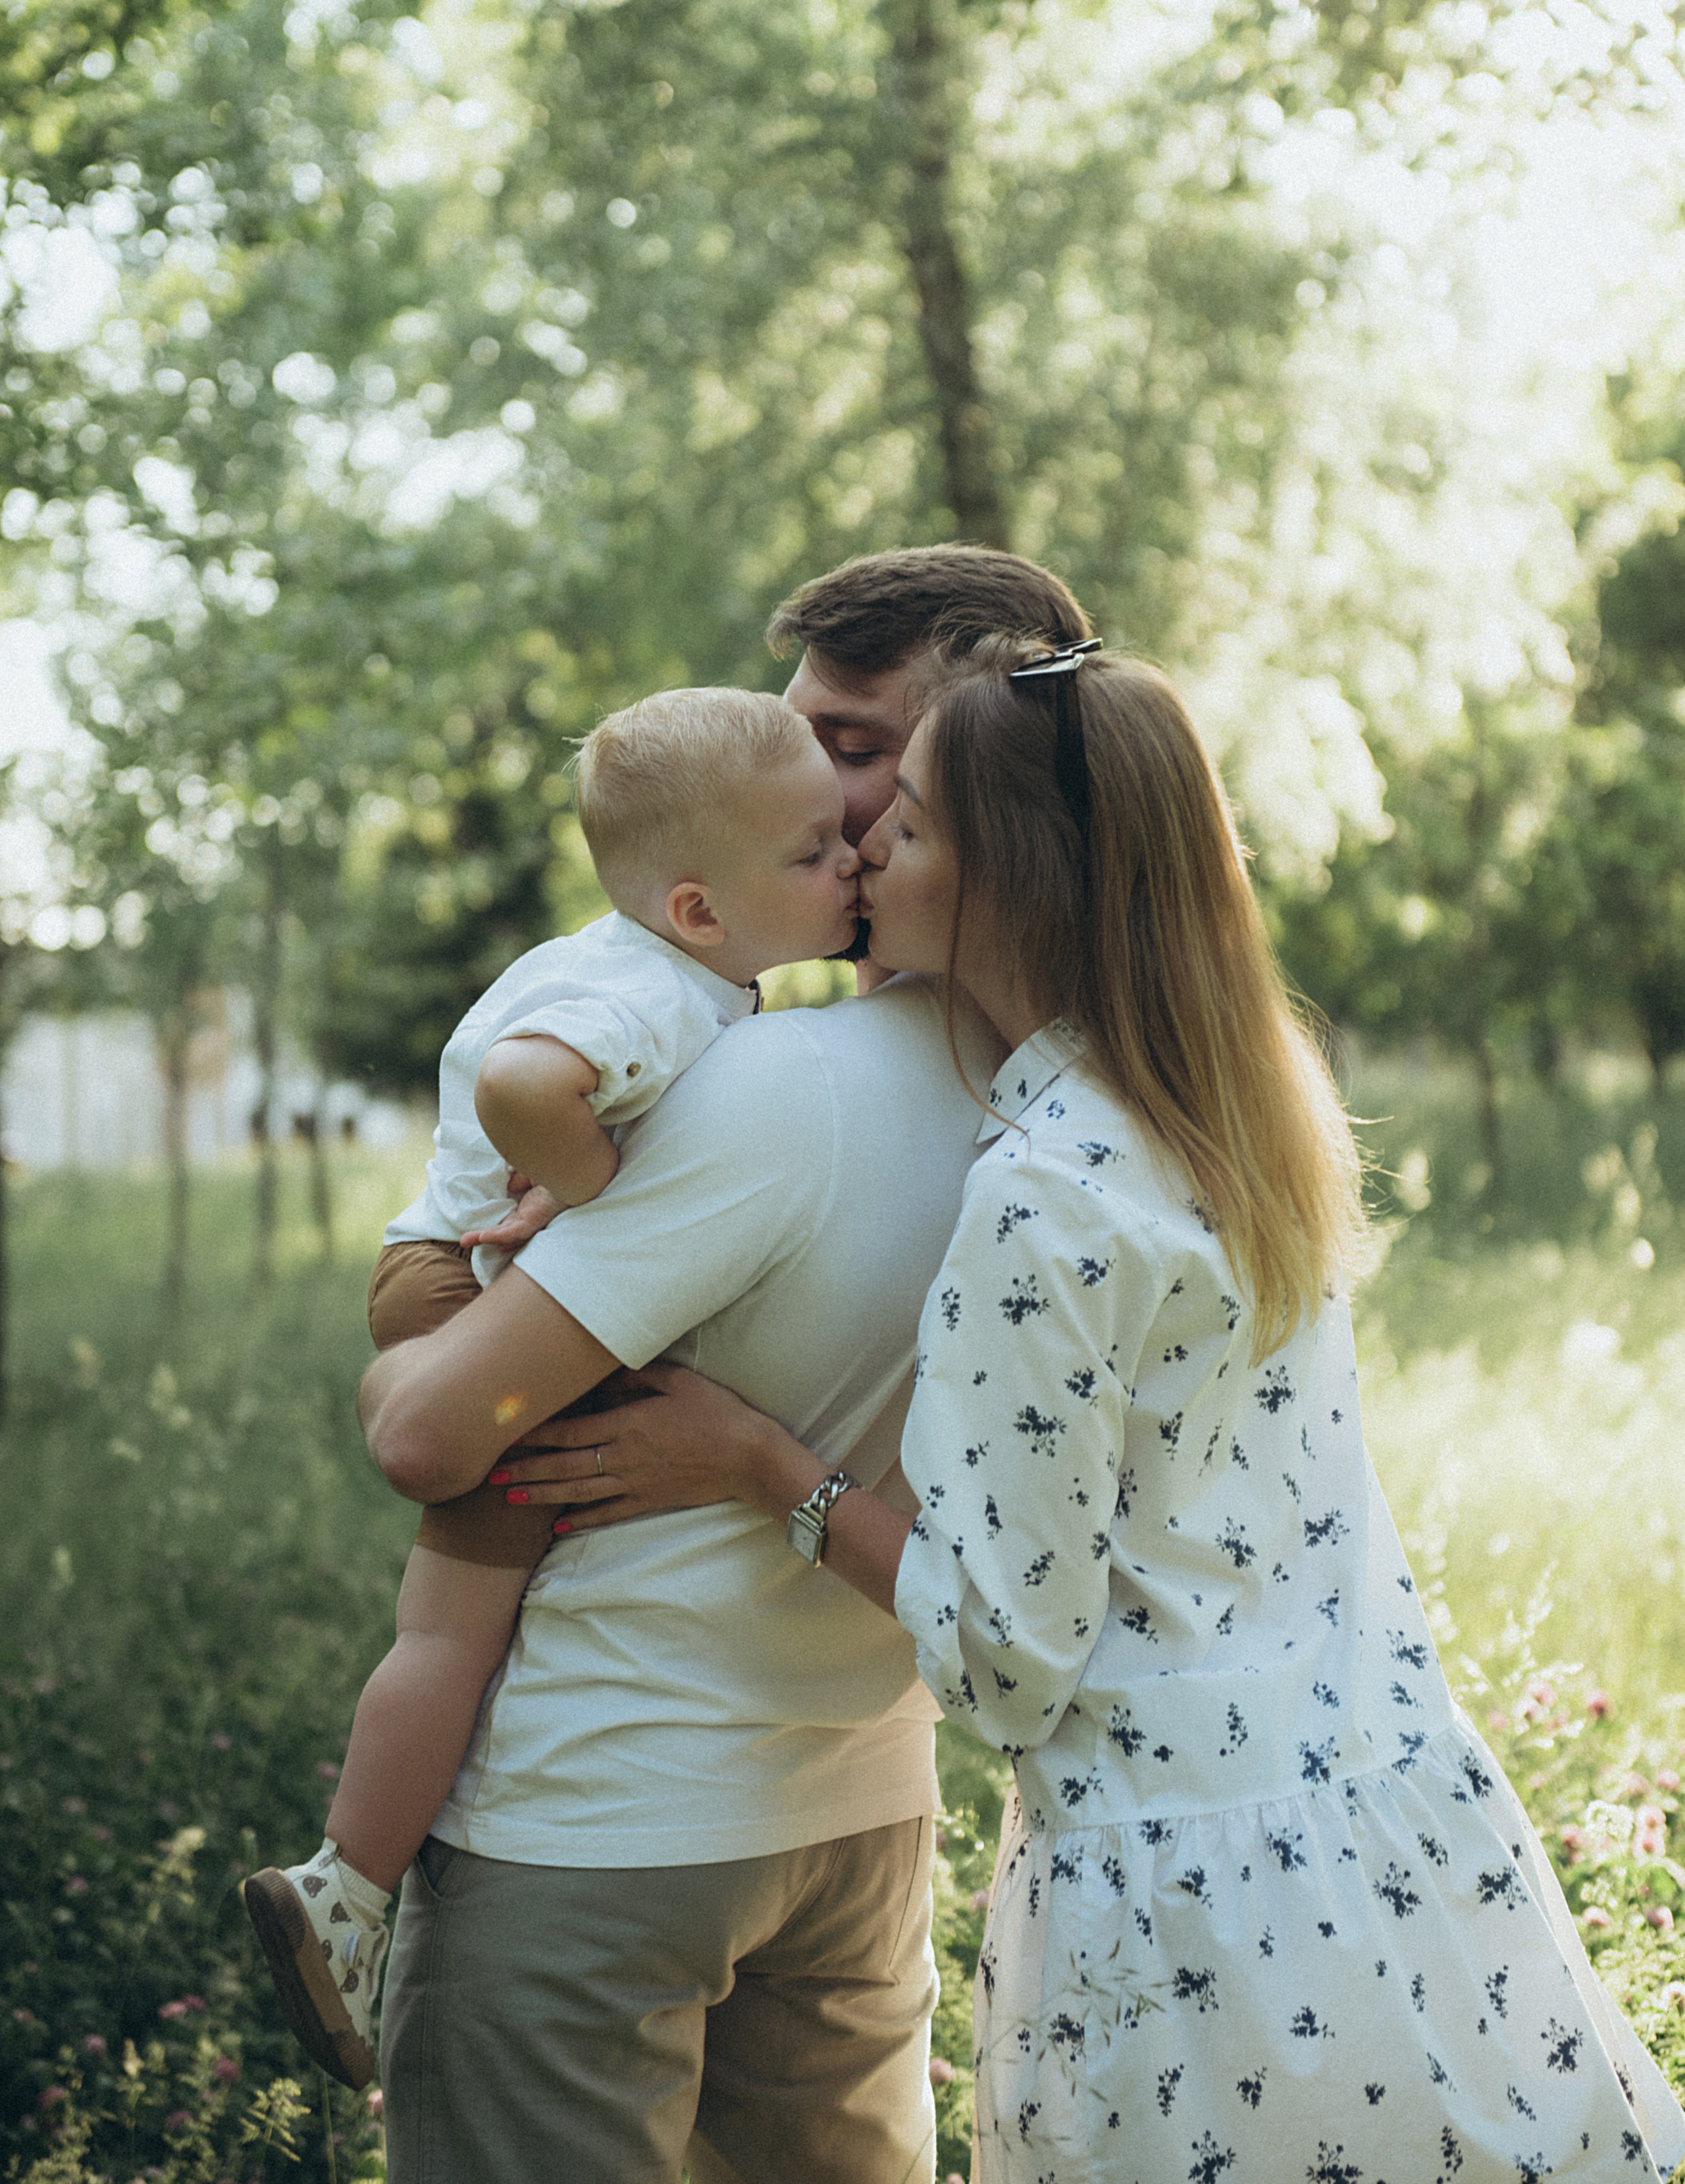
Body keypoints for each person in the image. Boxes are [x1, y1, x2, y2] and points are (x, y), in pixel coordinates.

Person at [523, 640, 1685, 2181]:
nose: (866, 849)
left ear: (1011, 883)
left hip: (1192, 1908)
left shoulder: (1042, 1198)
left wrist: (759, 1463)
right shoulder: (1243, 1108)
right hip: (1397, 1844)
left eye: (908, 825)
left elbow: (1005, 1661)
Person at [351, 544, 1094, 2184]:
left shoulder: (772, 1089)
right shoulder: (1080, 1095)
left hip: (606, 1814)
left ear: (977, 759)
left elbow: (426, 1431)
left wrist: (412, 1334)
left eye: (850, 747)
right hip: (860, 1810)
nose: (799, 782)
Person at [242, 687, 862, 2090]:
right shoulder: (652, 992)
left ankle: (354, 1878)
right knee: (451, 1628)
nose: (852, 863)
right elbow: (526, 1085)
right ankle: (347, 1889)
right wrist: (591, 1200)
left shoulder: (644, 960)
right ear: (699, 908)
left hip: (439, 1271)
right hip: (468, 1288)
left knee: (457, 1616)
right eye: (815, 850)